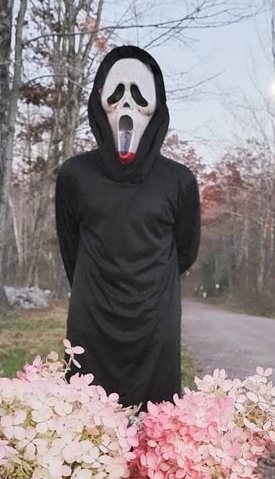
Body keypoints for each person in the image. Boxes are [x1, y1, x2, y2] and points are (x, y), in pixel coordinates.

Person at [55, 45, 201, 418]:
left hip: (156, 323)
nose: (127, 105)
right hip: (91, 320)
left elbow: (185, 250)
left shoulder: (179, 182)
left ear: (157, 105)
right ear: (99, 99)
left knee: (156, 432)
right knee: (86, 431)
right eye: (116, 93)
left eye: (140, 95)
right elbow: (70, 245)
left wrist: (152, 285)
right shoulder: (75, 175)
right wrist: (95, 285)